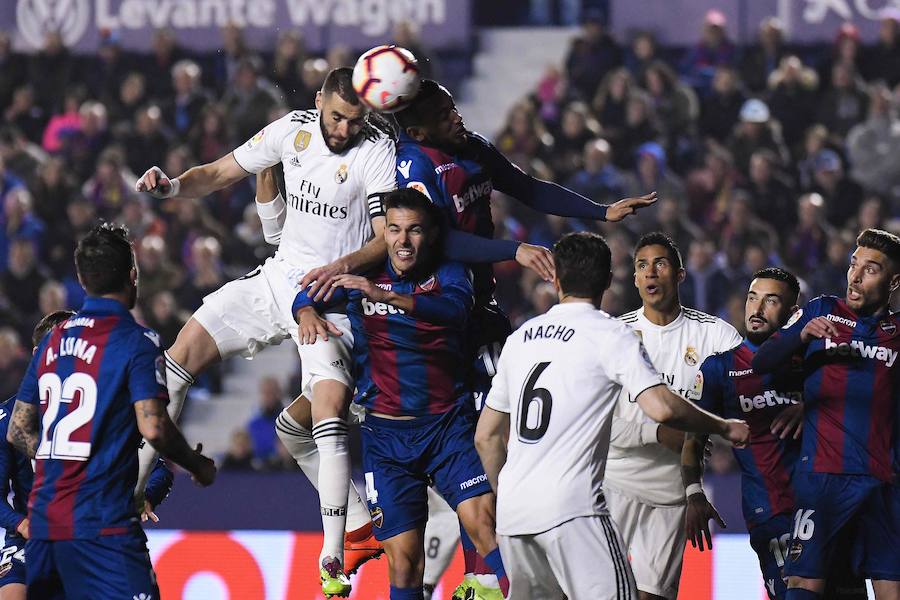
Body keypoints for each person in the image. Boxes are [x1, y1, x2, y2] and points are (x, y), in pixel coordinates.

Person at [288, 77, 655, 600]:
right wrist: (513, 248)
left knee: (489, 452)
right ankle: (478, 571)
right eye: (446, 114)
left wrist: (600, 211)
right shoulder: (412, 169)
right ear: (416, 127)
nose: (458, 118)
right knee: (414, 545)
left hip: (471, 313)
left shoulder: (471, 151)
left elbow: (526, 187)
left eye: (455, 108)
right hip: (428, 353)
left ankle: (484, 576)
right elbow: (441, 237)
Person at [134, 67, 397, 595]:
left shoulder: (375, 151)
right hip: (278, 281)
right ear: (320, 99)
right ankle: (129, 494)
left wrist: (332, 273)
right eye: (338, 116)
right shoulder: (291, 130)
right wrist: (174, 187)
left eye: (354, 120)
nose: (344, 129)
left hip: (335, 299)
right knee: (180, 355)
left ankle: (333, 555)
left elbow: (383, 238)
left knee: (319, 414)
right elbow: (221, 172)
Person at [473, 231, 749, 599]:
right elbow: (663, 408)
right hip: (578, 506)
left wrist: (505, 491)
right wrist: (722, 426)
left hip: (514, 513)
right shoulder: (611, 333)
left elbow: (485, 437)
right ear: (610, 279)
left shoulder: (521, 338)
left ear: (554, 278)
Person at [293, 189, 509, 600]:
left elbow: (454, 312)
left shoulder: (448, 273)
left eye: (413, 230)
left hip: (447, 428)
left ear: (429, 234)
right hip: (387, 440)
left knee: (486, 527)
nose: (403, 241)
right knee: (405, 561)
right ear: (384, 233)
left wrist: (387, 297)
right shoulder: (362, 275)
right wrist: (304, 311)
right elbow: (306, 293)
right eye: (394, 230)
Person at [6, 223, 215, 599]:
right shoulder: (137, 341)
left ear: (82, 280)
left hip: (46, 527)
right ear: (132, 276)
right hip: (103, 525)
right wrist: (197, 465)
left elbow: (18, 430)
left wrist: (63, 463)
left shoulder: (53, 340)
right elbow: (154, 428)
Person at [681, 269, 866, 599]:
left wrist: (810, 401)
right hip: (771, 512)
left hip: (828, 504)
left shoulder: (817, 361)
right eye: (753, 297)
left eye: (771, 300)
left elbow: (861, 403)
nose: (757, 308)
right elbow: (694, 437)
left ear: (793, 312)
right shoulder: (719, 368)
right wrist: (694, 491)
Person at [753, 229, 900, 599]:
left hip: (884, 481)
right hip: (823, 479)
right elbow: (762, 361)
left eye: (871, 269)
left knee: (891, 587)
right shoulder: (821, 310)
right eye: (854, 264)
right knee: (803, 583)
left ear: (893, 281)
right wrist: (800, 335)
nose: (855, 275)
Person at [605, 232, 743, 600]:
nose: (650, 273)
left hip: (672, 493)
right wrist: (656, 434)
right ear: (634, 278)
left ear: (680, 275)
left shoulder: (715, 335)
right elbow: (595, 424)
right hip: (614, 483)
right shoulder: (614, 335)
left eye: (660, 264)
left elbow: (747, 394)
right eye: (642, 266)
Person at [0, 310, 175, 600]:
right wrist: (22, 524)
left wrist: (146, 494)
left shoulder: (108, 409)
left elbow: (158, 469)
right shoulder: (8, 418)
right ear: (37, 354)